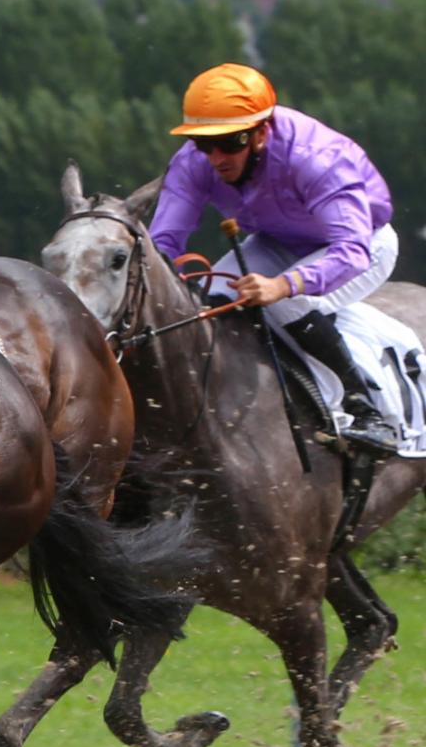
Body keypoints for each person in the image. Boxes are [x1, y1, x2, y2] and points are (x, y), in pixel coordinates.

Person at [147, 63, 400, 455]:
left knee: (284, 302)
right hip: (276, 241)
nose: (216, 158)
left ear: (261, 132)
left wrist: (282, 285)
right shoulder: (193, 163)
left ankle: (367, 409)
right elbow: (164, 241)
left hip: (364, 246)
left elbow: (350, 250)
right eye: (203, 143)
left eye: (231, 142)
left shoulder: (316, 158)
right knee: (211, 297)